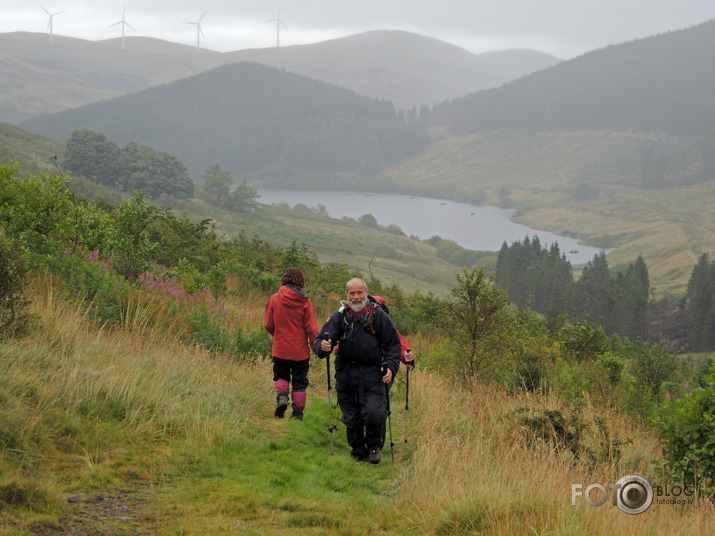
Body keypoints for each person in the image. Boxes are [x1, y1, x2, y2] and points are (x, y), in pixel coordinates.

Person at [314, 278, 401, 464]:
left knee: (374, 412)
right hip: (346, 373)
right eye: (351, 293)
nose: (356, 297)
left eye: (359, 292)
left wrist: (392, 367)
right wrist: (323, 346)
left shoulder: (378, 316)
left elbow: (394, 345)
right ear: (346, 295)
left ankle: (374, 447)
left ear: (366, 293)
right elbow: (320, 341)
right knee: (351, 417)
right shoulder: (340, 316)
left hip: (373, 373)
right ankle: (358, 449)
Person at [264, 267, 319, 420]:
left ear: (284, 279)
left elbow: (268, 324)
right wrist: (316, 349)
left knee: (281, 376)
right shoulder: (306, 302)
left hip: (280, 349)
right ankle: (297, 414)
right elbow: (312, 330)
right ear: (301, 282)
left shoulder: (274, 298)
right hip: (300, 352)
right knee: (300, 383)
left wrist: (278, 337)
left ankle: (282, 397)